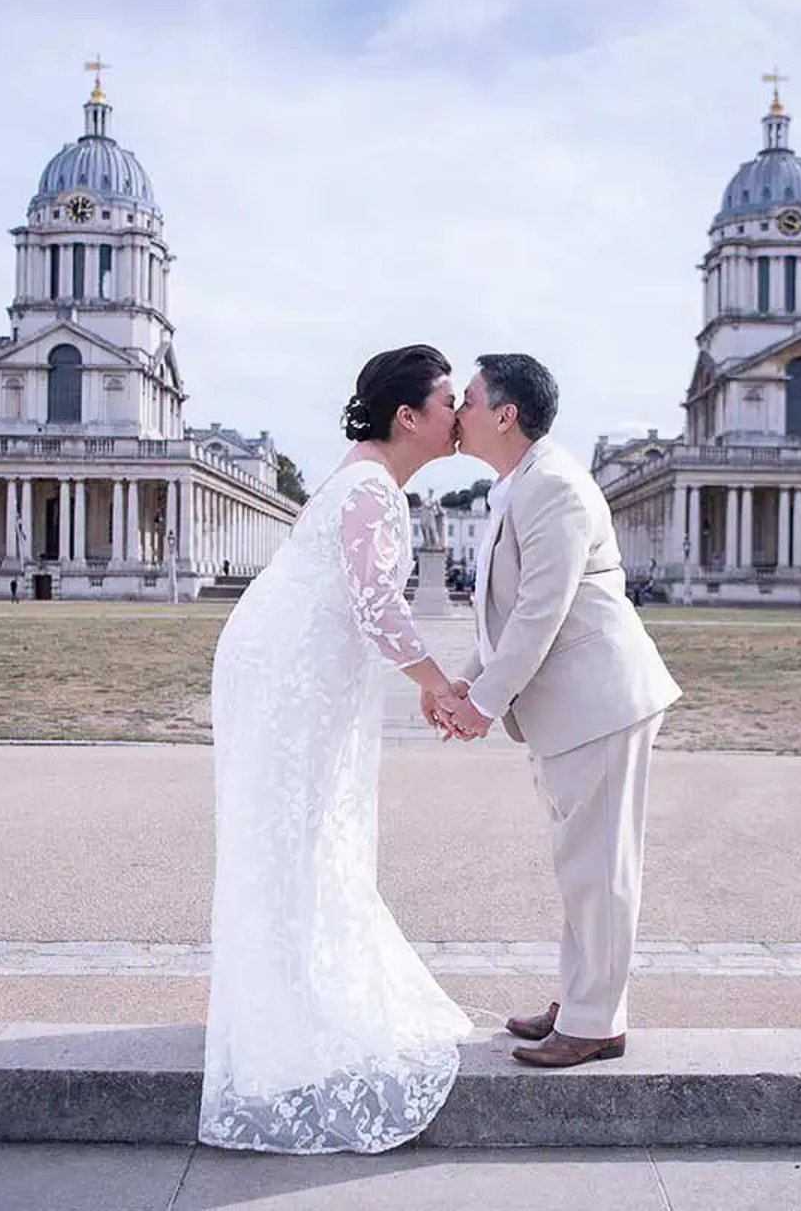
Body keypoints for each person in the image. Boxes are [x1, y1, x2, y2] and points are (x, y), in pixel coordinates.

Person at [201, 344, 471, 1154]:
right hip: (294, 671)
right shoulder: (370, 490)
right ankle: (290, 1001)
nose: (458, 415)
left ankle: (285, 984)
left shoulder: (361, 480)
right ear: (408, 416)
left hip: (292, 661)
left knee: (300, 828)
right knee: (301, 826)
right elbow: (379, 607)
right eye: (448, 400)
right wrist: (437, 683)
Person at [441, 353, 682, 1070]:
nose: (458, 412)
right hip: (577, 703)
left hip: (599, 700)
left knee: (600, 867)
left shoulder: (554, 488)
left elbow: (540, 613)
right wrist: (465, 682)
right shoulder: (520, 486)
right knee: (582, 862)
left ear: (506, 414)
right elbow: (510, 616)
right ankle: (582, 999)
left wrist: (481, 705)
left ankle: (596, 1020)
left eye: (470, 399)